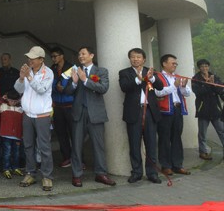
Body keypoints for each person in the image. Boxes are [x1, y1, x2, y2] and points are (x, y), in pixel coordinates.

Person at [64, 46, 116, 187]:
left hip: (96, 113)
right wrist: (74, 82)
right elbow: (67, 91)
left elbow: (103, 88)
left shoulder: (101, 71)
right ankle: (76, 175)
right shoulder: (75, 70)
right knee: (76, 145)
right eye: (79, 54)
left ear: (91, 55)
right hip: (78, 113)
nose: (81, 56)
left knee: (98, 145)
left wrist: (85, 80)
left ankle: (101, 174)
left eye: (83, 53)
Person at [118, 48, 164, 184]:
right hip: (133, 112)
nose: (135, 59)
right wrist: (138, 80)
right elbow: (124, 87)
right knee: (134, 144)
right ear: (130, 59)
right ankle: (136, 172)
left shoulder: (150, 72)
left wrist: (152, 78)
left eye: (138, 57)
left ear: (144, 59)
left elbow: (160, 87)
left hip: (150, 111)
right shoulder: (124, 73)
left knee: (151, 143)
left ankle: (152, 173)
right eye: (133, 57)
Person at [15, 46, 54, 191]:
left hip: (42, 115)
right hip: (27, 114)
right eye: (29, 57)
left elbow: (41, 89)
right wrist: (21, 77)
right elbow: (18, 90)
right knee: (28, 145)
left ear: (41, 59)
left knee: (44, 147)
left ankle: (47, 176)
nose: (29, 60)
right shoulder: (27, 71)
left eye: (33, 58)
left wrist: (29, 77)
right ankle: (30, 173)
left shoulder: (48, 72)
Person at [155, 54, 192, 176]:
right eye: (173, 63)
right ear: (164, 63)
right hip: (165, 111)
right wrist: (174, 86)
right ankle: (166, 165)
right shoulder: (158, 76)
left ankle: (177, 165)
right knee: (164, 138)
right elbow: (158, 93)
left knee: (177, 137)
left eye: (176, 63)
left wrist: (182, 86)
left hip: (177, 109)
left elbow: (187, 93)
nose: (175, 65)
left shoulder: (178, 77)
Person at [191, 59, 224, 160]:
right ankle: (203, 152)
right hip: (203, 109)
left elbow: (220, 90)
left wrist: (213, 84)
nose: (204, 68)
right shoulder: (195, 78)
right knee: (202, 133)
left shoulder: (214, 77)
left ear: (208, 67)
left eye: (206, 66)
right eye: (202, 66)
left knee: (221, 131)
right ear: (199, 68)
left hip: (215, 108)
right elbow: (197, 91)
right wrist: (208, 84)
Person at [49, 47, 74, 168]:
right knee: (61, 133)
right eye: (52, 56)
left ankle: (80, 159)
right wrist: (56, 88)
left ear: (62, 56)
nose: (53, 59)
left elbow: (75, 84)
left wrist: (63, 89)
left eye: (55, 56)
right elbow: (49, 84)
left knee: (74, 133)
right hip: (57, 105)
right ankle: (67, 157)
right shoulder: (51, 69)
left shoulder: (71, 67)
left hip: (70, 105)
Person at [0, 90, 24, 179]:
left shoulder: (20, 109)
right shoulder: (3, 106)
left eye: (15, 101)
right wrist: (2, 98)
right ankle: (6, 168)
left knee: (16, 153)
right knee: (7, 152)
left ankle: (15, 167)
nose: (13, 102)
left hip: (17, 134)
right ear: (7, 99)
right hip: (6, 134)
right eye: (11, 100)